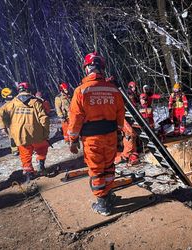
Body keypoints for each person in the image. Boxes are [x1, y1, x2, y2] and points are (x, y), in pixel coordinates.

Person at [68, 51, 125, 216]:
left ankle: (103, 203)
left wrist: (72, 139)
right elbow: (120, 114)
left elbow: (75, 118)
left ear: (87, 69)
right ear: (102, 68)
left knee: (96, 170)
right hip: (111, 136)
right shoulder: (113, 90)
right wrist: (119, 132)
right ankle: (108, 196)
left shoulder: (81, 91)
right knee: (109, 167)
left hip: (92, 138)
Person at [0, 82, 50, 182]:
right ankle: (41, 166)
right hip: (37, 133)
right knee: (42, 148)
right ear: (29, 90)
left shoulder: (11, 103)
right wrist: (45, 133)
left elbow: (2, 114)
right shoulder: (36, 102)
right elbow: (44, 119)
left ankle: (28, 174)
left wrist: (8, 128)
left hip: (20, 135)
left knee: (25, 153)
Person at [0, 87, 19, 156]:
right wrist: (2, 127)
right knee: (12, 138)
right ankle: (15, 149)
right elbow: (0, 118)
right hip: (9, 125)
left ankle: (26, 147)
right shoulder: (1, 106)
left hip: (19, 121)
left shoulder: (17, 102)